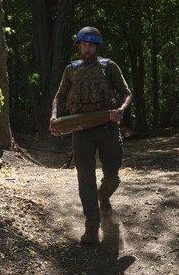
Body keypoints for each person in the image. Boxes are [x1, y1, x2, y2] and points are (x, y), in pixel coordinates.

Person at [49, 26, 133, 245]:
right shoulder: (71, 70)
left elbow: (127, 94)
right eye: (83, 45)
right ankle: (91, 229)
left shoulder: (109, 67)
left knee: (112, 176)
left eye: (91, 45)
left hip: (107, 128)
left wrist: (121, 111)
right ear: (79, 46)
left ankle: (103, 196)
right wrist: (54, 116)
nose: (87, 49)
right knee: (86, 179)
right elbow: (59, 96)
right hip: (81, 131)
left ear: (97, 47)